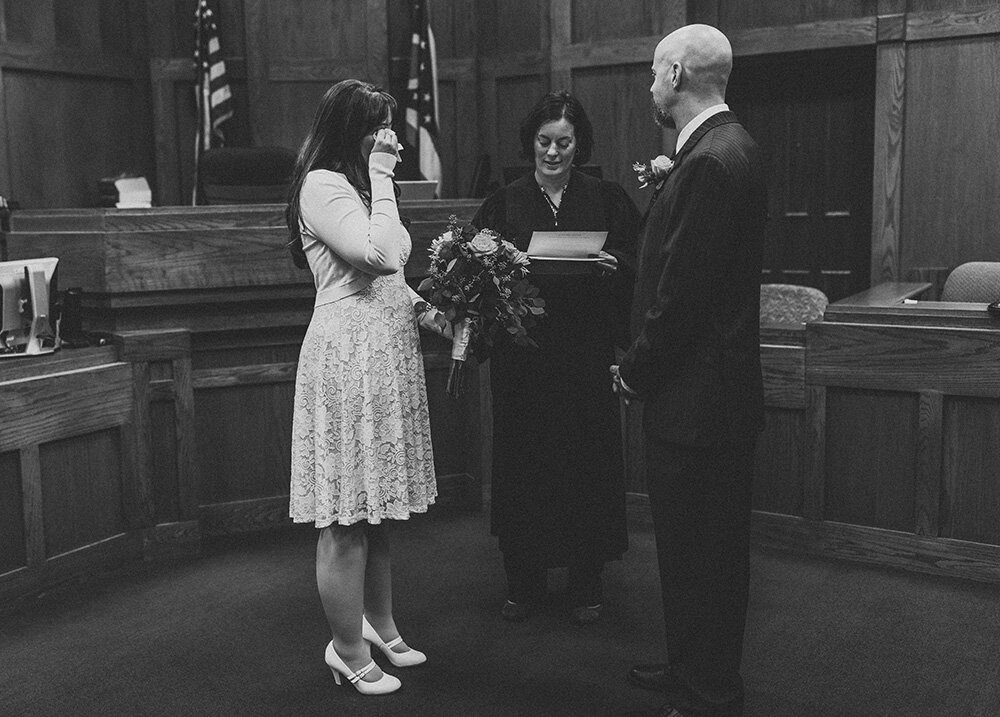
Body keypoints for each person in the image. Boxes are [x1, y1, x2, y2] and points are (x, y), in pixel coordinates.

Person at [611, 25, 768, 717]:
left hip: (700, 401)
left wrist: (634, 370)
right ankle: (688, 669)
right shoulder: (720, 148)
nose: (650, 85)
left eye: (653, 73)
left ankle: (711, 693)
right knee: (687, 549)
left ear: (676, 73)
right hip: (708, 396)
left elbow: (682, 296)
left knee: (706, 556)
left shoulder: (708, 160)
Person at [286, 79, 460, 696]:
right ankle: (347, 649)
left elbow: (394, 279)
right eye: (377, 127)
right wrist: (385, 177)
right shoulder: (323, 185)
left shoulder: (359, 186)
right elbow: (378, 255)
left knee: (377, 510)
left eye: (390, 126)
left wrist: (430, 313)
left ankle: (379, 625)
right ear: (347, 130)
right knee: (345, 516)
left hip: (383, 351)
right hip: (348, 359)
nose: (389, 138)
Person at [473, 90, 640, 625]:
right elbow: (476, 279)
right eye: (544, 142)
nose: (553, 152)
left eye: (564, 142)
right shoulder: (504, 202)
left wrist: (617, 265)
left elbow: (639, 264)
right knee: (526, 463)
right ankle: (523, 582)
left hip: (584, 356)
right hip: (524, 362)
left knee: (584, 462)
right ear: (531, 143)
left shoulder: (607, 197)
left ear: (579, 144)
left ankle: (586, 581)